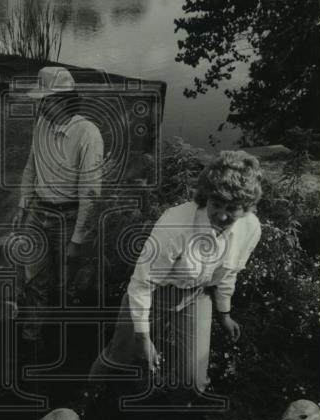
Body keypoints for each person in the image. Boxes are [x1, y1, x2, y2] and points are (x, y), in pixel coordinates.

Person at [88, 149, 262, 402]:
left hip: (196, 295)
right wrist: (142, 336)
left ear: (247, 208)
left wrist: (224, 313)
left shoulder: (251, 229)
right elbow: (142, 283)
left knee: (192, 380)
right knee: (121, 356)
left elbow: (229, 272)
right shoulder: (176, 224)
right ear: (206, 198)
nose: (222, 215)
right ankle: (87, 398)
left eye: (232, 209)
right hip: (155, 293)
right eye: (216, 205)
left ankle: (171, 416)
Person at [14, 66, 104, 342]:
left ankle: (67, 342)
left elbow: (90, 194)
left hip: (68, 216)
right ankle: (31, 337)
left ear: (65, 100)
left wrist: (77, 240)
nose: (40, 105)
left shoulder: (88, 134)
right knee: (34, 278)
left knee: (67, 282)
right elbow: (32, 165)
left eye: (46, 100)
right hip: (38, 212)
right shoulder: (41, 124)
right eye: (40, 99)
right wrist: (23, 204)